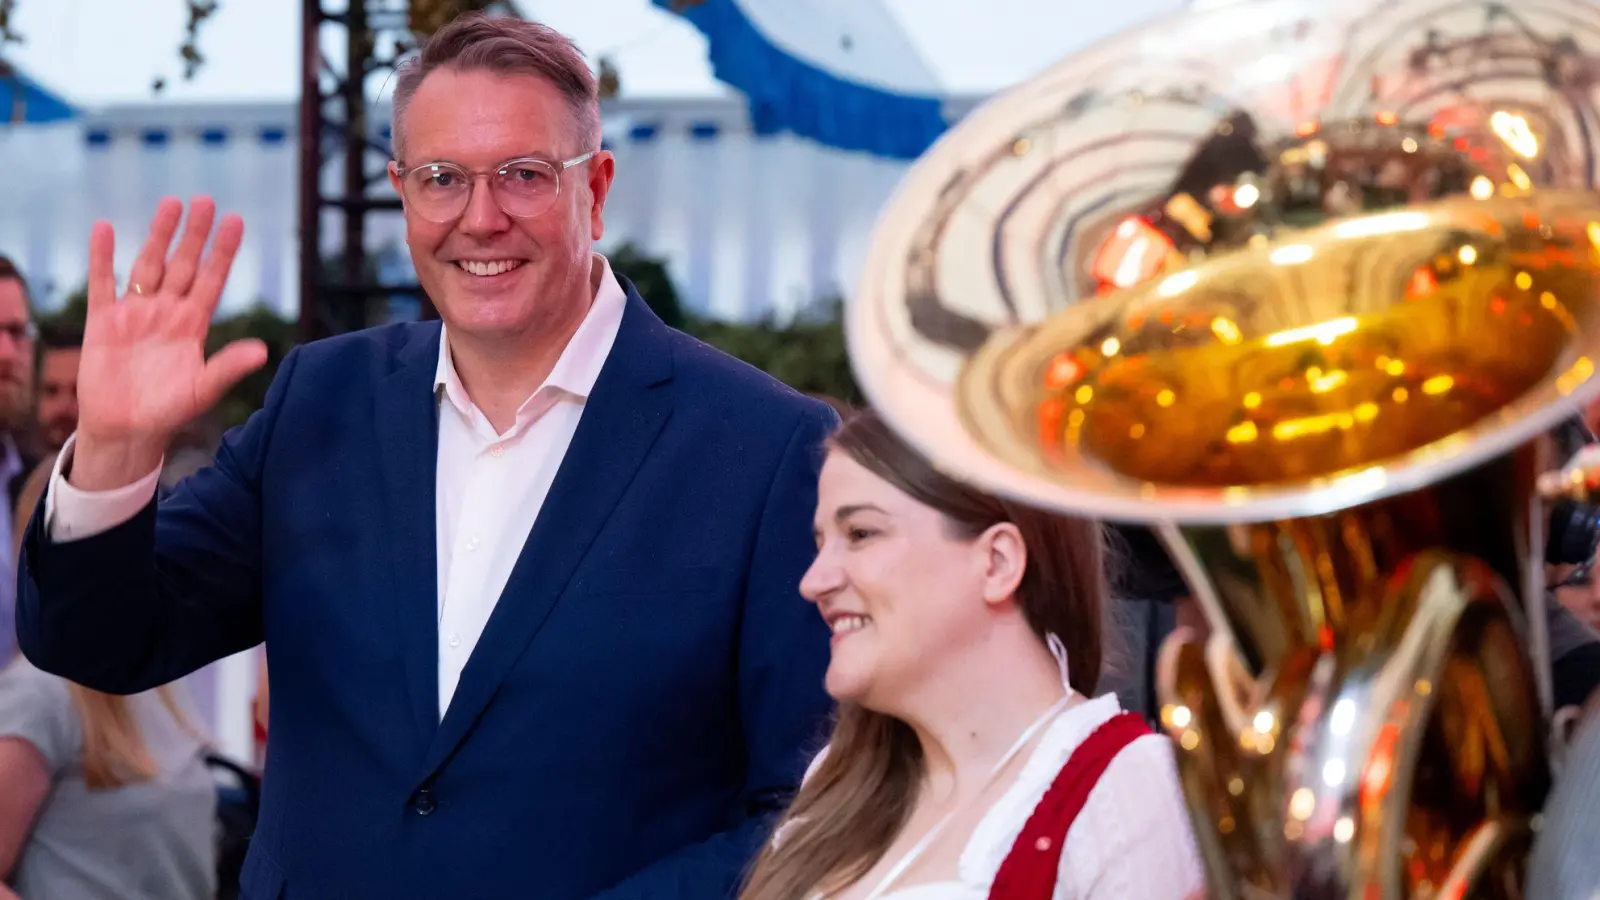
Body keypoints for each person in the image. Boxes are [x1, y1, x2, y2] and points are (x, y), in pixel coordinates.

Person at [16, 12, 835, 899]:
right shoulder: (320, 404)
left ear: (594, 190)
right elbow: (96, 642)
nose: (480, 219)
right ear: (403, 192)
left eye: (523, 175)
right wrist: (114, 448)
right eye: (443, 178)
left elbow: (813, 812)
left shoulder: (766, 448)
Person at [741, 408, 1204, 900]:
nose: (813, 582)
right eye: (820, 544)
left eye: (860, 534)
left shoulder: (1126, 789)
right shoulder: (839, 780)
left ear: (997, 562)